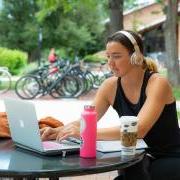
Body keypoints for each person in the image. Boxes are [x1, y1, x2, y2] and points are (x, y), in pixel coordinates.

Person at [41, 30, 180, 180]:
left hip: (169, 157)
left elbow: (138, 130)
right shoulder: (110, 86)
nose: (110, 63)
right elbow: (86, 121)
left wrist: (86, 133)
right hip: (135, 157)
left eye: (117, 56)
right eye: (108, 56)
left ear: (136, 56)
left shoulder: (157, 83)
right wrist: (58, 131)